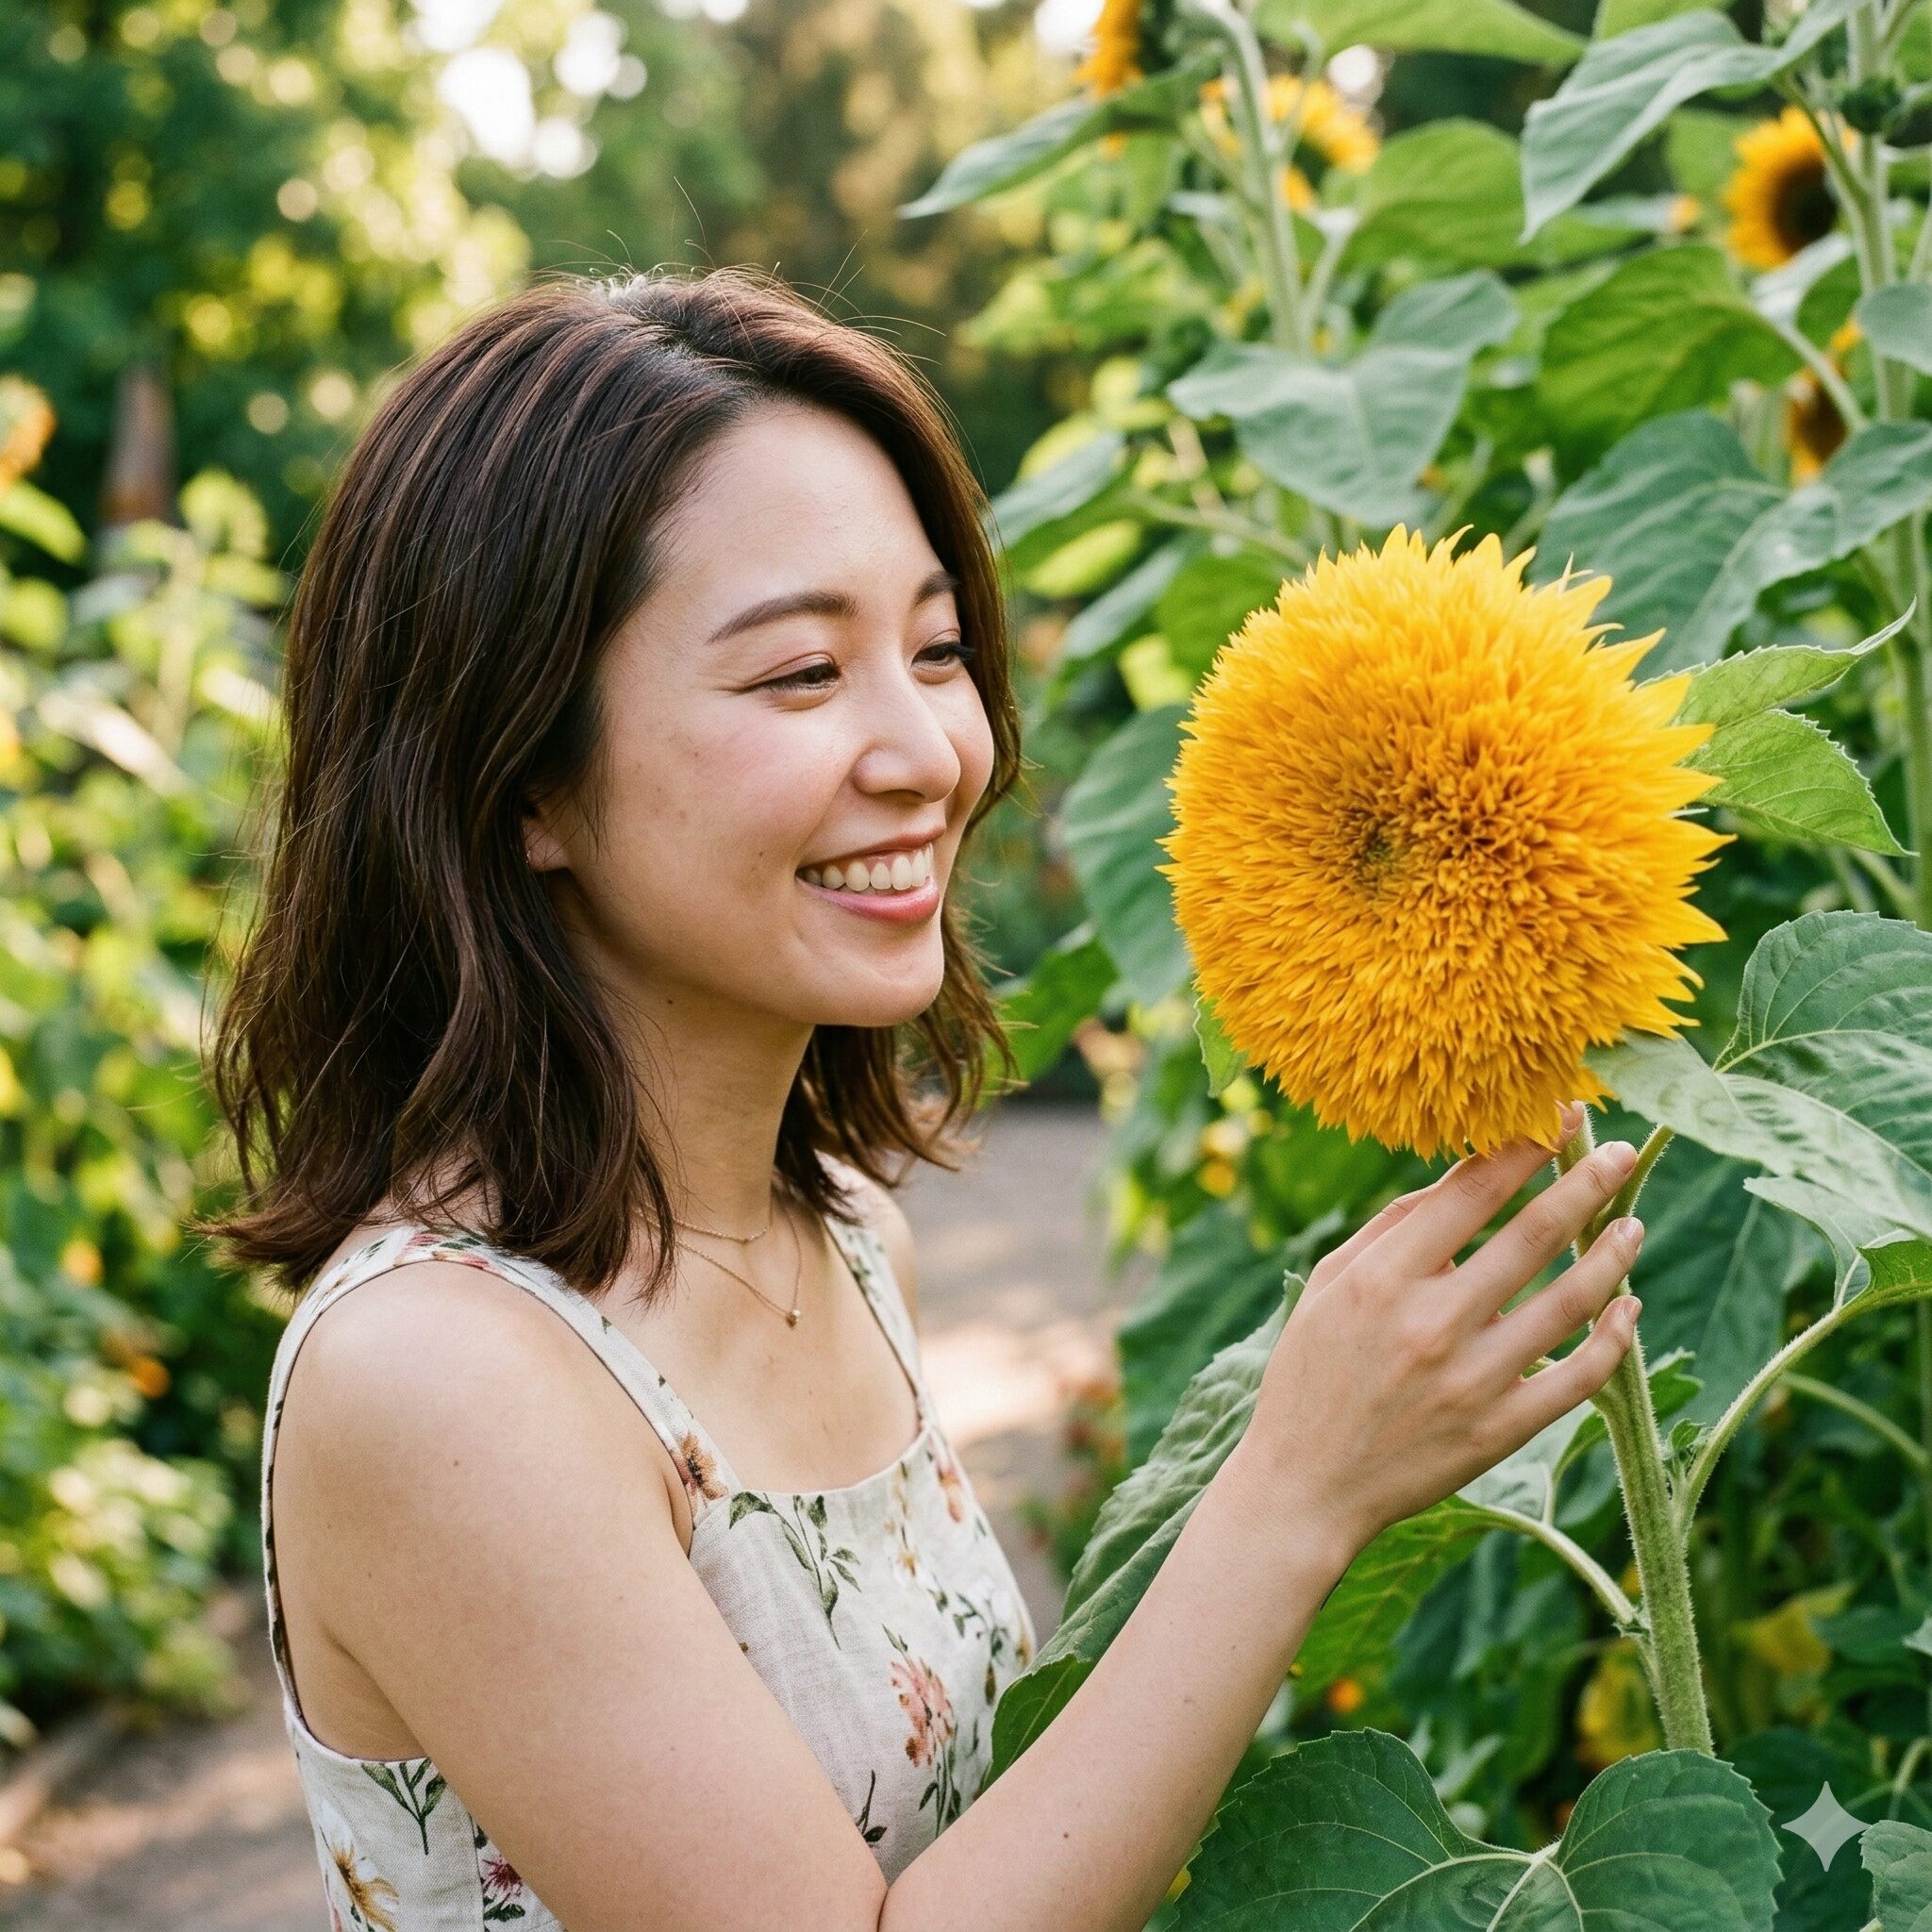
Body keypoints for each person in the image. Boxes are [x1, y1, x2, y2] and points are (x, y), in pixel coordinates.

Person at [199, 264, 1645, 1932]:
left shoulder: (824, 1231)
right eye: (801, 676)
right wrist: (1293, 1491)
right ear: (523, 777)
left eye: (938, 648)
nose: (929, 750)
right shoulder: (444, 1380)